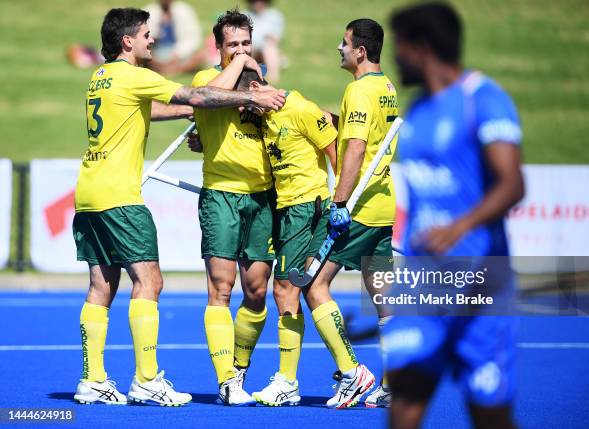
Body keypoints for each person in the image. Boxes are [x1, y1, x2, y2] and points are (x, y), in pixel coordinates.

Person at [72, 7, 285, 407]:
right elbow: (199, 95)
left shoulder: (100, 78)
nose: (154, 39)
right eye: (147, 34)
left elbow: (150, 110)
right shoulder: (136, 75)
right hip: (120, 196)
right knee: (150, 282)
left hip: (88, 193)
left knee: (101, 286)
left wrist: (197, 113)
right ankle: (147, 379)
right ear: (128, 42)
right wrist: (234, 98)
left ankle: (92, 379)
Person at [387, 3, 524, 428]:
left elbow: (512, 184)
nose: (395, 57)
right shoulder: (417, 108)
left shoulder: (483, 99)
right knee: (405, 398)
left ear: (421, 47)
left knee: (489, 413)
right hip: (423, 286)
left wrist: (460, 227)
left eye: (400, 47)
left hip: (481, 285)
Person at [200, 69, 337, 406]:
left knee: (288, 289)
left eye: (249, 106)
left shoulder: (296, 106)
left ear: (257, 89)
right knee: (290, 289)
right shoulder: (262, 114)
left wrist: (342, 201)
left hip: (306, 207)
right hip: (281, 207)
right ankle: (237, 377)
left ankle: (328, 376)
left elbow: (333, 137)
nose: (247, 113)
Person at [303, 18, 399, 409]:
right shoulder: (386, 87)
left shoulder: (358, 91)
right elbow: (369, 134)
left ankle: (351, 372)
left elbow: (357, 149)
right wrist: (332, 121)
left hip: (356, 208)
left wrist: (339, 204)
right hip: (382, 204)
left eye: (344, 43)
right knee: (385, 299)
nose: (338, 49)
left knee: (312, 284)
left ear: (360, 51)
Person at [189, 9, 280, 407]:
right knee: (221, 289)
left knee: (257, 291)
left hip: (262, 198)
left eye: (247, 44)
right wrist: (243, 71)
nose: (242, 52)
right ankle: (226, 380)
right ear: (219, 47)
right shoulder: (204, 80)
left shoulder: (263, 86)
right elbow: (207, 99)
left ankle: (239, 369)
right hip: (221, 195)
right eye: (233, 45)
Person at [144, 0, 202, 72]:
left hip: (178, 54)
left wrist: (178, 54)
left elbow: (193, 38)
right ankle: (173, 69)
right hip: (155, 53)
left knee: (201, 55)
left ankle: (168, 70)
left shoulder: (185, 10)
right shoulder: (149, 10)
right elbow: (143, 38)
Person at [245, 0, 285, 84]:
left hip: (267, 49)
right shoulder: (244, 15)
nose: (258, 3)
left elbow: (276, 38)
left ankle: (273, 78)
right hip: (251, 48)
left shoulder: (275, 15)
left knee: (270, 48)